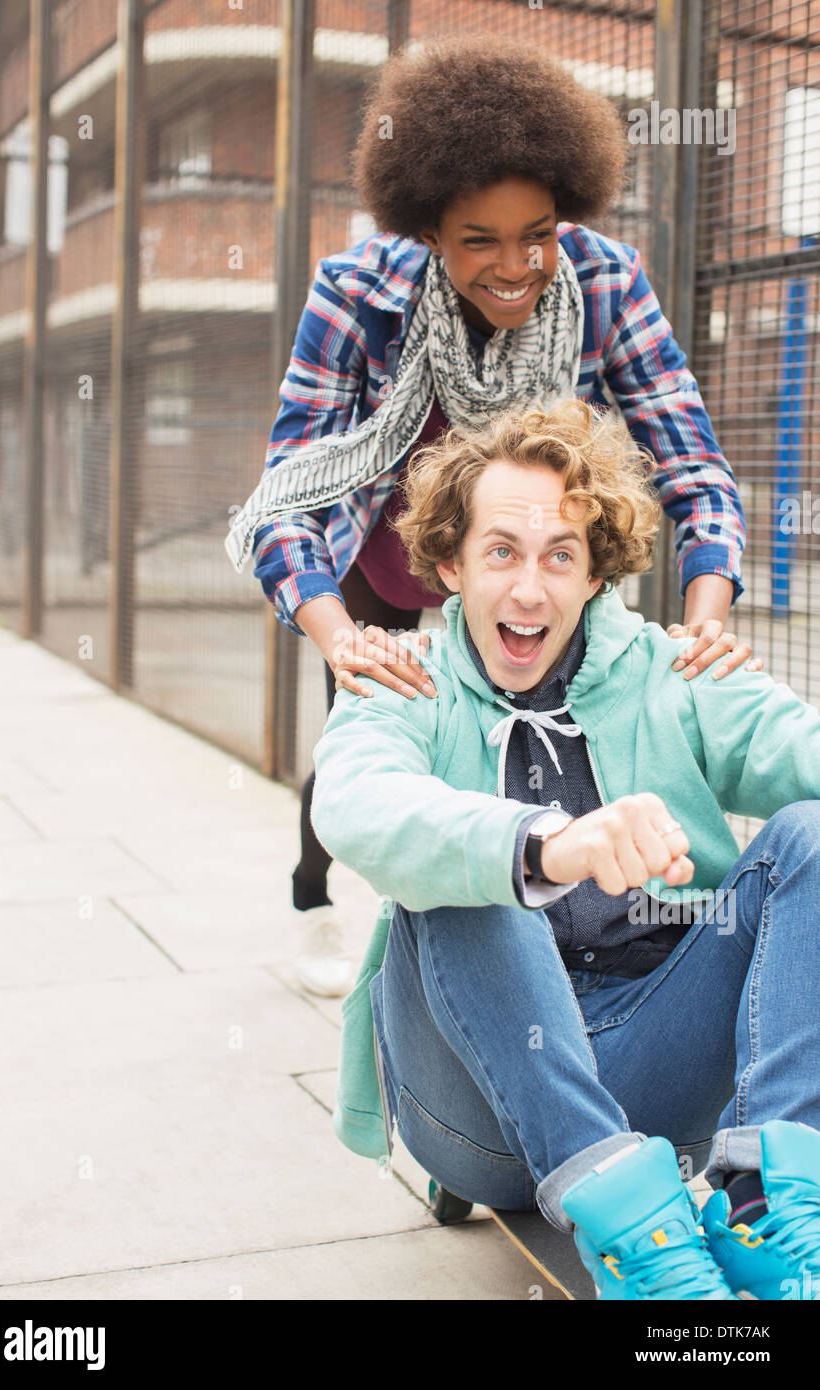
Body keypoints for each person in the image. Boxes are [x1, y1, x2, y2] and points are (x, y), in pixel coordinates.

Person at [226, 33, 762, 997]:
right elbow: (286, 502)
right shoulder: (359, 292)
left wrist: (708, 618)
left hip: (522, 556)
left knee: (528, 732)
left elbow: (693, 463)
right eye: (481, 239)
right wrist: (344, 639)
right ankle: (316, 893)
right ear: (429, 228)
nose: (517, 266)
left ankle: (542, 947)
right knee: (372, 725)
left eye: (539, 232)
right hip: (390, 554)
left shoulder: (602, 278)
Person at [309, 396, 820, 1301]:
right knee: (467, 872)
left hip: (655, 1078)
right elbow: (355, 804)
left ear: (596, 575)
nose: (530, 589)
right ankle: (649, 1261)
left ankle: (765, 1208)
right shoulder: (403, 675)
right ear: (448, 566)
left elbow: (800, 761)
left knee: (810, 840)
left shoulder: (671, 670)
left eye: (561, 556)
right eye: (500, 551)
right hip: (475, 1109)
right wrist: (546, 844)